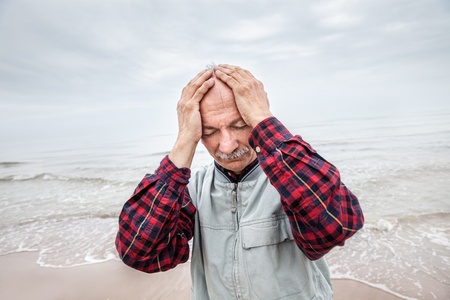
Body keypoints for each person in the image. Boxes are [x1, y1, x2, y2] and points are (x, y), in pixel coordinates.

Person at [115, 64, 364, 300]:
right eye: (210, 132)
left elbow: (336, 226)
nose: (227, 145)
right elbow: (139, 253)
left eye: (240, 125)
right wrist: (184, 141)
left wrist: (263, 119)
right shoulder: (193, 187)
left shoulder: (290, 176)